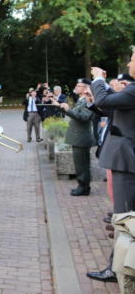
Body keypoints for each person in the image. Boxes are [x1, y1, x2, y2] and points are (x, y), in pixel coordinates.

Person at [87, 51, 135, 282]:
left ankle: (118, 270)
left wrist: (98, 81)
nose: (129, 63)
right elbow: (112, 108)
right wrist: (94, 100)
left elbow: (106, 101)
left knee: (123, 217)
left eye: (132, 59)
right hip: (126, 158)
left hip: (127, 160)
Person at [59, 78, 95, 196]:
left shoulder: (88, 100)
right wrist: (66, 109)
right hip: (78, 137)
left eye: (79, 85)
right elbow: (76, 114)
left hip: (82, 138)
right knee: (79, 164)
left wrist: (68, 109)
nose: (76, 87)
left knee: (82, 165)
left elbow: (83, 117)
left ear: (85, 88)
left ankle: (84, 187)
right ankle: (82, 186)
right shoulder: (81, 100)